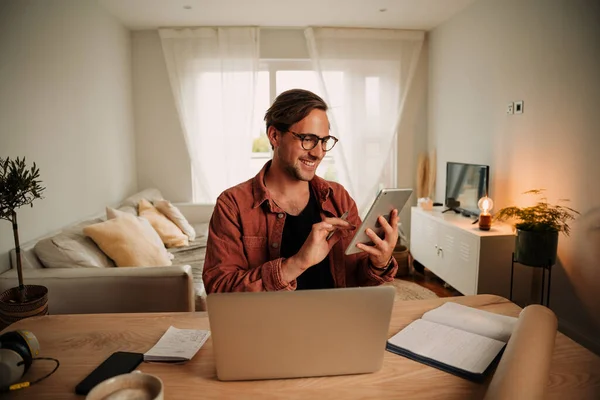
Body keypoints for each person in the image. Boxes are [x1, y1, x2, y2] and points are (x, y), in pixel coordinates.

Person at [202, 89, 399, 293]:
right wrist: (297, 263)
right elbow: (219, 289)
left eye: (323, 141)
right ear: (275, 136)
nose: (318, 152)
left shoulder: (338, 197)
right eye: (307, 139)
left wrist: (379, 263)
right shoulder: (233, 204)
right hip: (268, 323)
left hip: (335, 319)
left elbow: (357, 279)